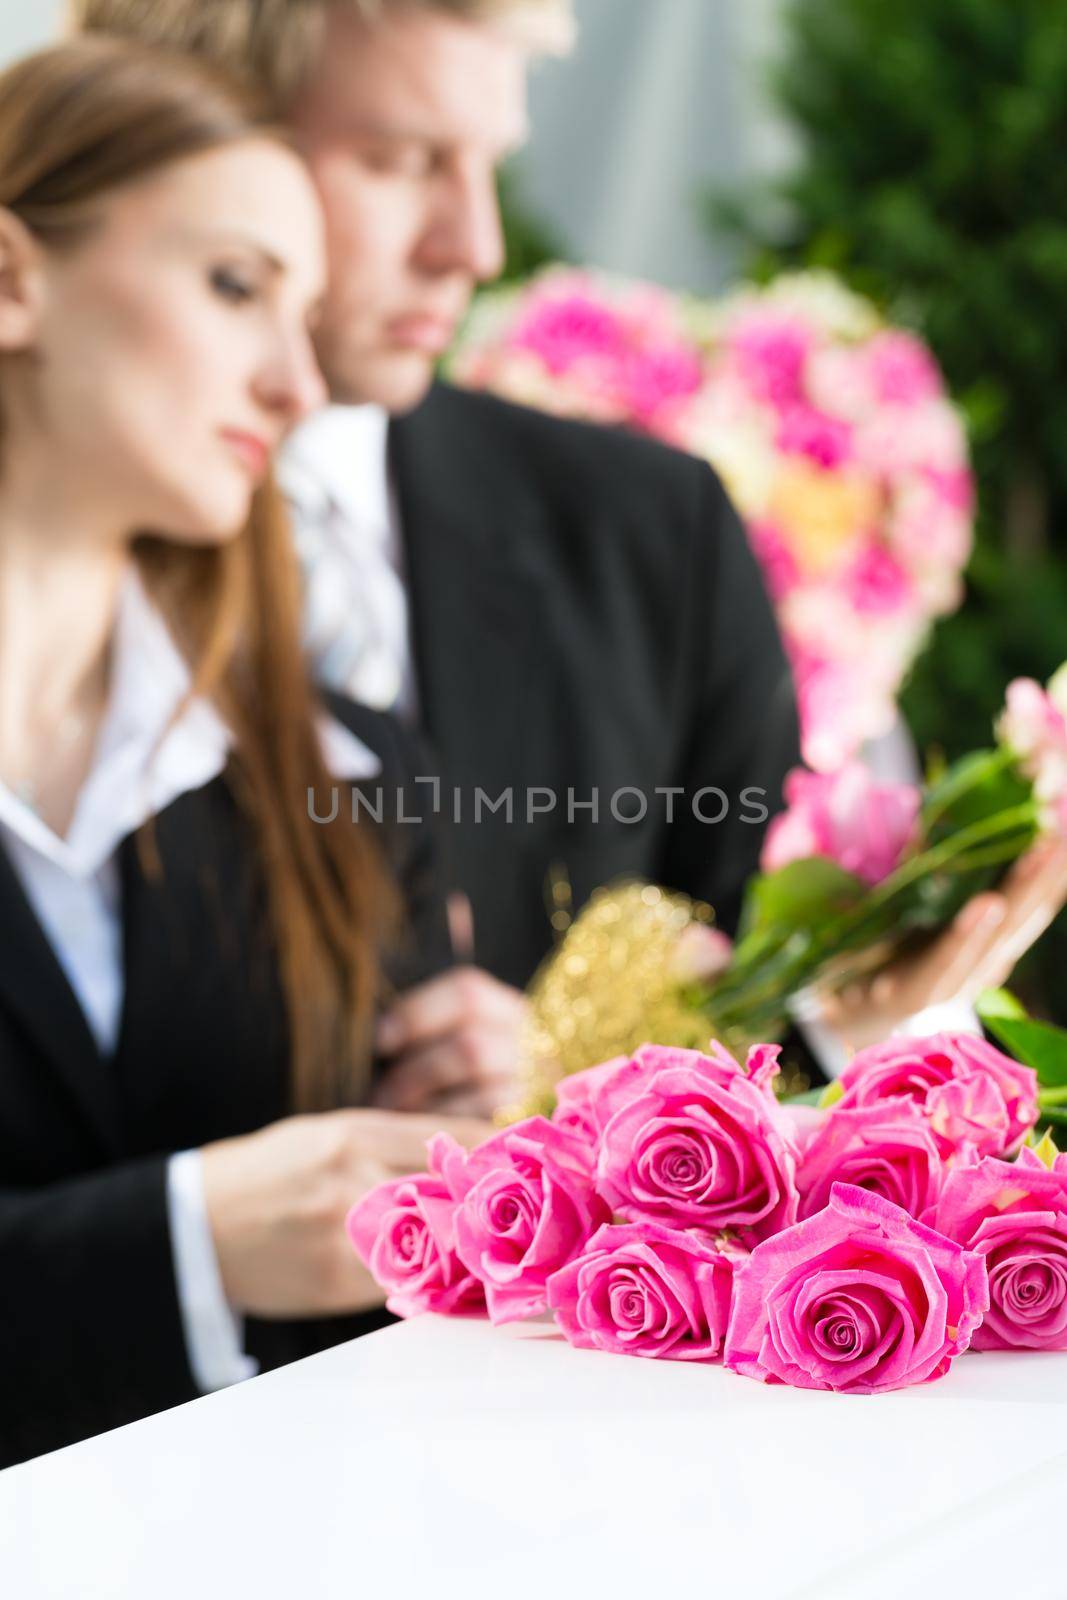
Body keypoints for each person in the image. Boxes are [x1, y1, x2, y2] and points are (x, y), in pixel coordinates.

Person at [73, 0, 1067, 1110]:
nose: (474, 244)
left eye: (489, 161)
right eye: (401, 163)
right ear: (186, 134)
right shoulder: (50, 564)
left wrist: (596, 1079)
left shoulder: (648, 528)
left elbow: (776, 1014)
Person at [0, 36, 485, 1469]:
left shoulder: (348, 778)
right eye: (234, 287)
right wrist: (187, 1241)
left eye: (306, 313)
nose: (292, 381)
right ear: (14, 277)